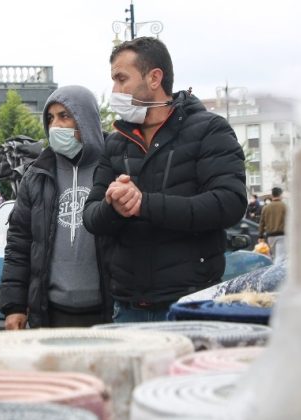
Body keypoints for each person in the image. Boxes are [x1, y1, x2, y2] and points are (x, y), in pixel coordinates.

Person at [83, 37, 247, 323]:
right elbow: (91, 217)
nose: (115, 90)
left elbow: (229, 203)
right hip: (128, 307)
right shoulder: (116, 143)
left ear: (155, 77)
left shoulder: (209, 130)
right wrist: (113, 205)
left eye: (122, 79)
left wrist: (144, 204)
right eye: (113, 80)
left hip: (190, 305)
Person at [0, 85, 112, 329]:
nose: (55, 125)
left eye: (65, 116)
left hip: (108, 311)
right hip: (52, 313)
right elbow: (19, 243)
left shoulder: (115, 165)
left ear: (86, 119)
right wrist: (14, 306)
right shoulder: (38, 174)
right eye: (50, 118)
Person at [258, 187, 287, 260]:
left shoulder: (266, 207)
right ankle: (276, 271)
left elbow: (262, 222)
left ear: (272, 195)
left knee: (273, 256)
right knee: (280, 257)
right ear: (280, 195)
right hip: (282, 235)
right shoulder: (284, 206)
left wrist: (260, 236)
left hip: (270, 236)